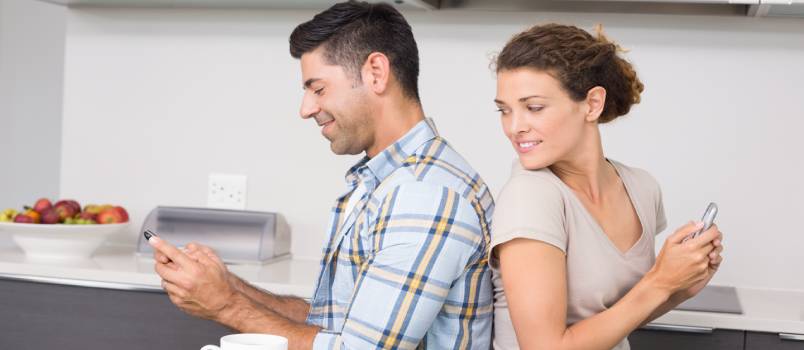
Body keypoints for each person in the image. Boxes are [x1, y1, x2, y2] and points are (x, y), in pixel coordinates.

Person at [149, 2, 494, 349]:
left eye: (318, 89)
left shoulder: (426, 196)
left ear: (376, 72)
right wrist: (229, 287)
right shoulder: (387, 182)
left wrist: (225, 304)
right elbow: (336, 324)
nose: (306, 109)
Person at [489, 23, 724, 350]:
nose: (514, 127)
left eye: (534, 108)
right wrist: (660, 281)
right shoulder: (530, 197)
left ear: (592, 103)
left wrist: (681, 285)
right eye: (504, 110)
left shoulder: (641, 189)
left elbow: (615, 317)